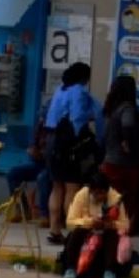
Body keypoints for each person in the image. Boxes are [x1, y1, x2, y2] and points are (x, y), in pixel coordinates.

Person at [43, 62, 102, 244]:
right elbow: (77, 117)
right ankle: (71, 232)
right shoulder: (79, 91)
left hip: (52, 141)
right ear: (84, 77)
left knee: (56, 186)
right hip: (69, 144)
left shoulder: (60, 90)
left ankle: (54, 229)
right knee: (72, 188)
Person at [60, 171, 130, 278]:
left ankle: (109, 271)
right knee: (76, 233)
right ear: (91, 191)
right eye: (97, 193)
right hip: (87, 230)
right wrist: (89, 222)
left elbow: (125, 224)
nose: (100, 196)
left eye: (103, 193)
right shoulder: (81, 196)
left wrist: (111, 224)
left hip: (105, 231)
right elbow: (70, 221)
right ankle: (71, 268)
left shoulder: (115, 198)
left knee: (112, 235)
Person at [101, 74, 139, 224]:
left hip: (110, 159)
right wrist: (127, 141)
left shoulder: (111, 108)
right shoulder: (127, 108)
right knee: (128, 197)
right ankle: (123, 226)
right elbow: (128, 124)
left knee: (111, 196)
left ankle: (109, 224)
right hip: (126, 162)